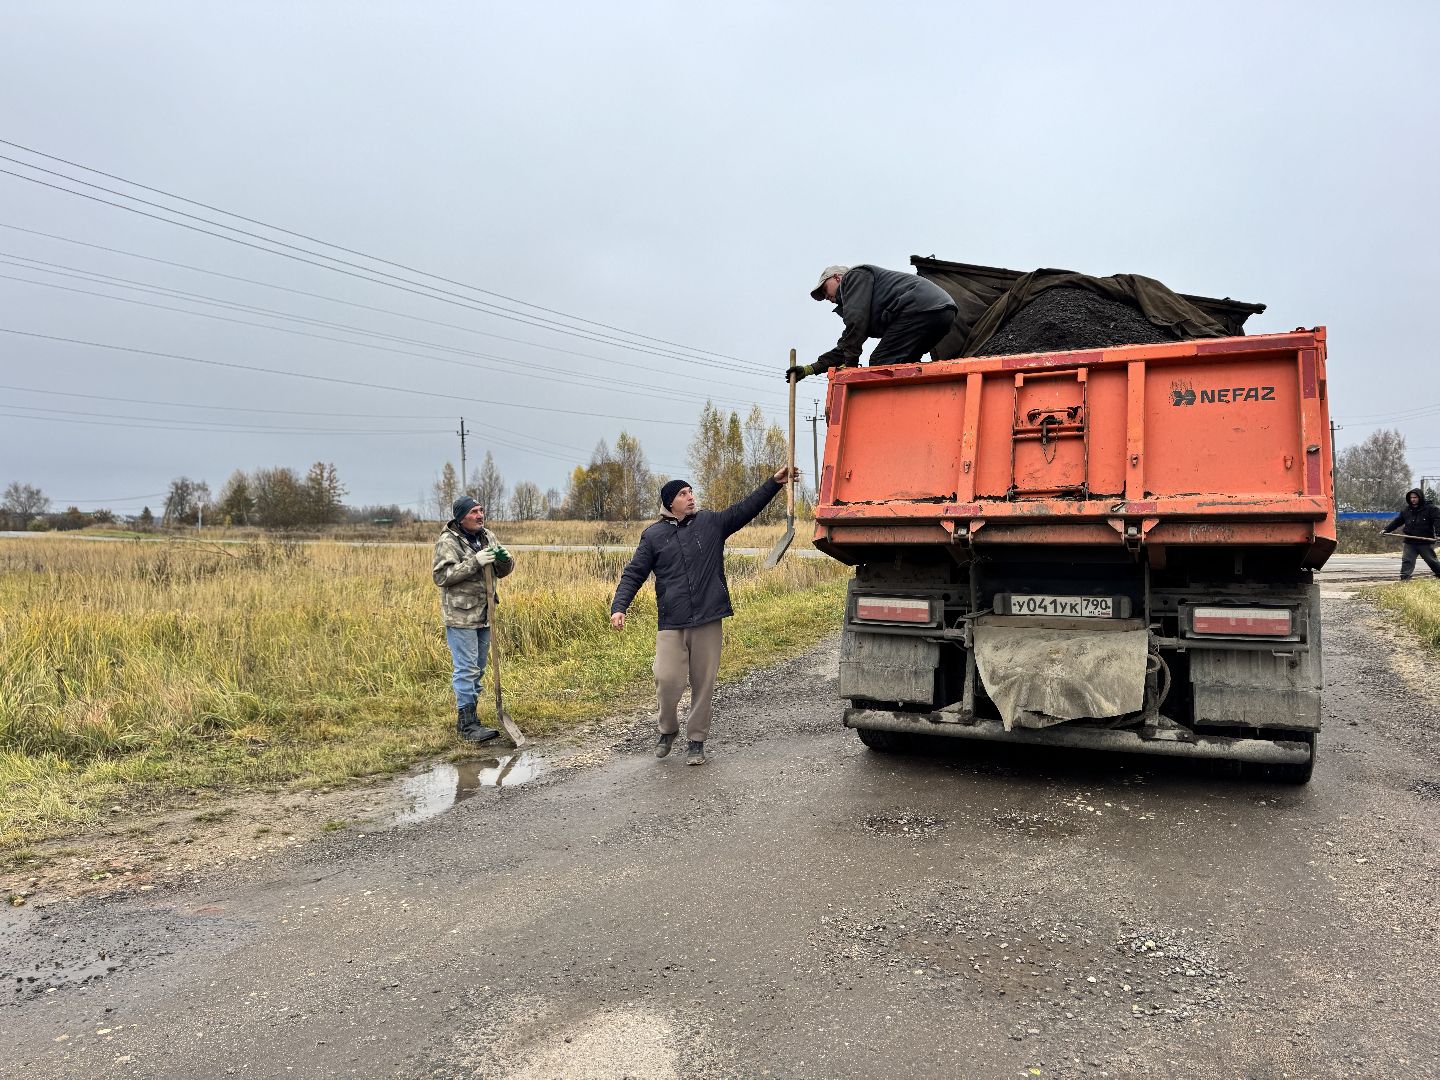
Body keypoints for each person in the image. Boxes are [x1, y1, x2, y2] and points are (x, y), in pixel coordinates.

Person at [609, 469, 798, 766]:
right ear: (670, 503)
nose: (690, 497)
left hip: (709, 618)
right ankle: (668, 729)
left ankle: (696, 741)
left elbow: (746, 508)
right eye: (683, 494)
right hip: (672, 621)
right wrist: (619, 606)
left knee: (703, 683)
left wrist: (774, 483)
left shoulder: (711, 523)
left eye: (691, 492)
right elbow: (634, 574)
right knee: (666, 679)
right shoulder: (654, 536)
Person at [786, 264, 958, 382]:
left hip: (919, 308)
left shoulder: (854, 277)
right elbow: (848, 343)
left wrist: (850, 368)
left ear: (837, 278)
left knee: (880, 362)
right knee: (904, 366)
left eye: (825, 289)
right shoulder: (864, 300)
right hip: (941, 313)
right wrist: (811, 369)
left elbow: (856, 325)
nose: (826, 297)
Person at [433, 495, 515, 742]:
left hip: (485, 612)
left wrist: (506, 561)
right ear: (461, 517)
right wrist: (474, 562)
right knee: (466, 669)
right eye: (474, 512)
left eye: (481, 510)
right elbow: (442, 576)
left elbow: (501, 571)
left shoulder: (487, 536)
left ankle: (472, 718)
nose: (480, 516)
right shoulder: (448, 541)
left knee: (478, 668)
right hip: (461, 615)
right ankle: (466, 725)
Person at [1382, 487, 1440, 580]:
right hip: (1410, 541)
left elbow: (1437, 521)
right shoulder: (1407, 510)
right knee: (1407, 560)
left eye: (1415, 497)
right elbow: (1397, 522)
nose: (1413, 499)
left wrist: (1438, 534)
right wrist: (1386, 530)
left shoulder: (1431, 509)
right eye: (1411, 497)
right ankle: (1405, 579)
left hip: (1424, 541)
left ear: (1420, 497)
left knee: (1431, 561)